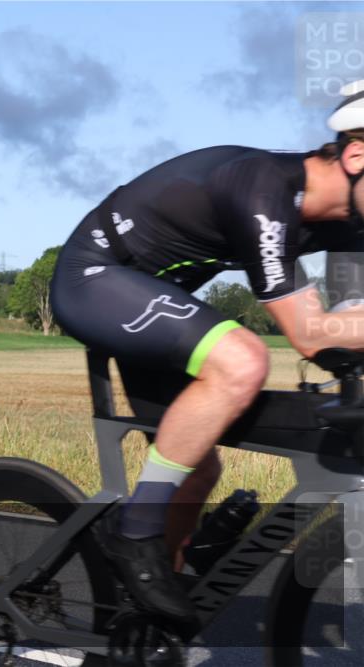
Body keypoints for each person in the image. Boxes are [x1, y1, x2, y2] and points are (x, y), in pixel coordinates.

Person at [50, 80, 364, 624]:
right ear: (357, 154)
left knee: (195, 468)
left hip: (154, 300)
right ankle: (133, 532)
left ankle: (146, 609)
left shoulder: (348, 219)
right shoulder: (264, 191)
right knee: (242, 359)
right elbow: (312, 333)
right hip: (96, 277)